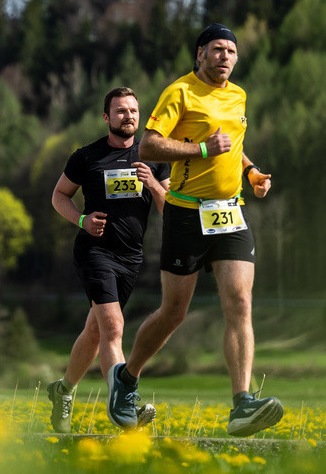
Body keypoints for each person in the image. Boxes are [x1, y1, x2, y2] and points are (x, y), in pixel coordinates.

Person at [106, 24, 281, 436]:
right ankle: (125, 379)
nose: (226, 57)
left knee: (239, 302)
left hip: (231, 212)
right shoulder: (179, 93)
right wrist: (202, 149)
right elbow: (149, 145)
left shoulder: (238, 95)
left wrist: (251, 172)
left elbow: (233, 146)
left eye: (232, 51)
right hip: (186, 213)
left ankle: (242, 404)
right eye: (218, 49)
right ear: (200, 53)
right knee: (174, 313)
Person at [47, 88, 170, 433]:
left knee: (95, 330)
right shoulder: (86, 157)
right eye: (120, 111)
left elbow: (170, 209)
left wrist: (154, 185)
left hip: (131, 257)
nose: (128, 116)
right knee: (113, 327)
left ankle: (64, 390)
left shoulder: (154, 157)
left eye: (133, 110)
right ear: (106, 117)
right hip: (94, 251)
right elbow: (59, 196)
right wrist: (82, 220)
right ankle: (124, 403)